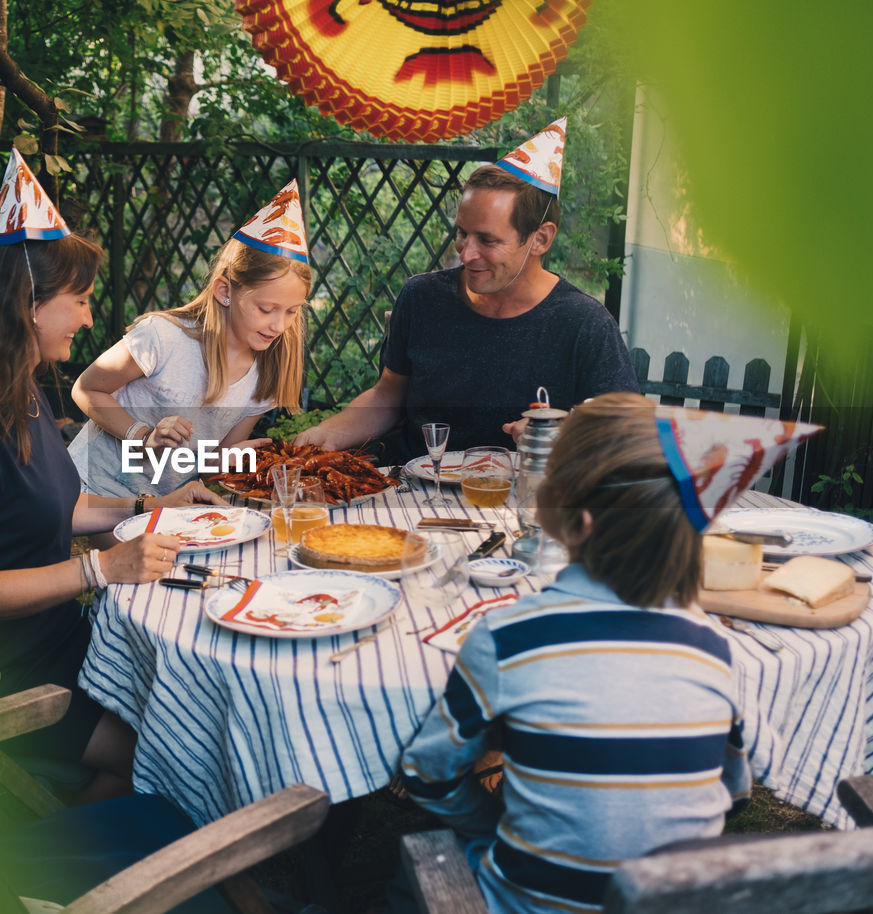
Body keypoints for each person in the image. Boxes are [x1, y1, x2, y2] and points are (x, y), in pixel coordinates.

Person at [397, 392, 819, 913]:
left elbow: (426, 776)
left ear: (578, 521)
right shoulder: (714, 647)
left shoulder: (507, 637)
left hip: (530, 903)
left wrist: (489, 822)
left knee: (421, 867)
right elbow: (732, 795)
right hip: (674, 901)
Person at [0, 150, 226, 802]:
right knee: (185, 750)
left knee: (189, 713)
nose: (86, 316)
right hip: (0, 671)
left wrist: (152, 506)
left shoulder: (18, 392)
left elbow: (64, 505)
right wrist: (102, 569)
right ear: (28, 304)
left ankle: (92, 844)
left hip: (61, 637)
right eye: (77, 301)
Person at [294, 118, 638, 458]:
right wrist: (329, 432)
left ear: (541, 239)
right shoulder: (421, 298)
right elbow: (388, 395)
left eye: (487, 240)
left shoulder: (585, 324)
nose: (466, 252)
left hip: (516, 499)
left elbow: (624, 428)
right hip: (414, 492)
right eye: (462, 233)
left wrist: (566, 430)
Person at [68, 180, 311, 498]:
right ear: (225, 291)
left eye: (292, 312)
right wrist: (143, 436)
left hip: (163, 503)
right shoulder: (162, 338)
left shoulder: (264, 374)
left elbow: (209, 463)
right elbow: (85, 388)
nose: (279, 325)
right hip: (94, 487)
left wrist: (234, 459)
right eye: (266, 309)